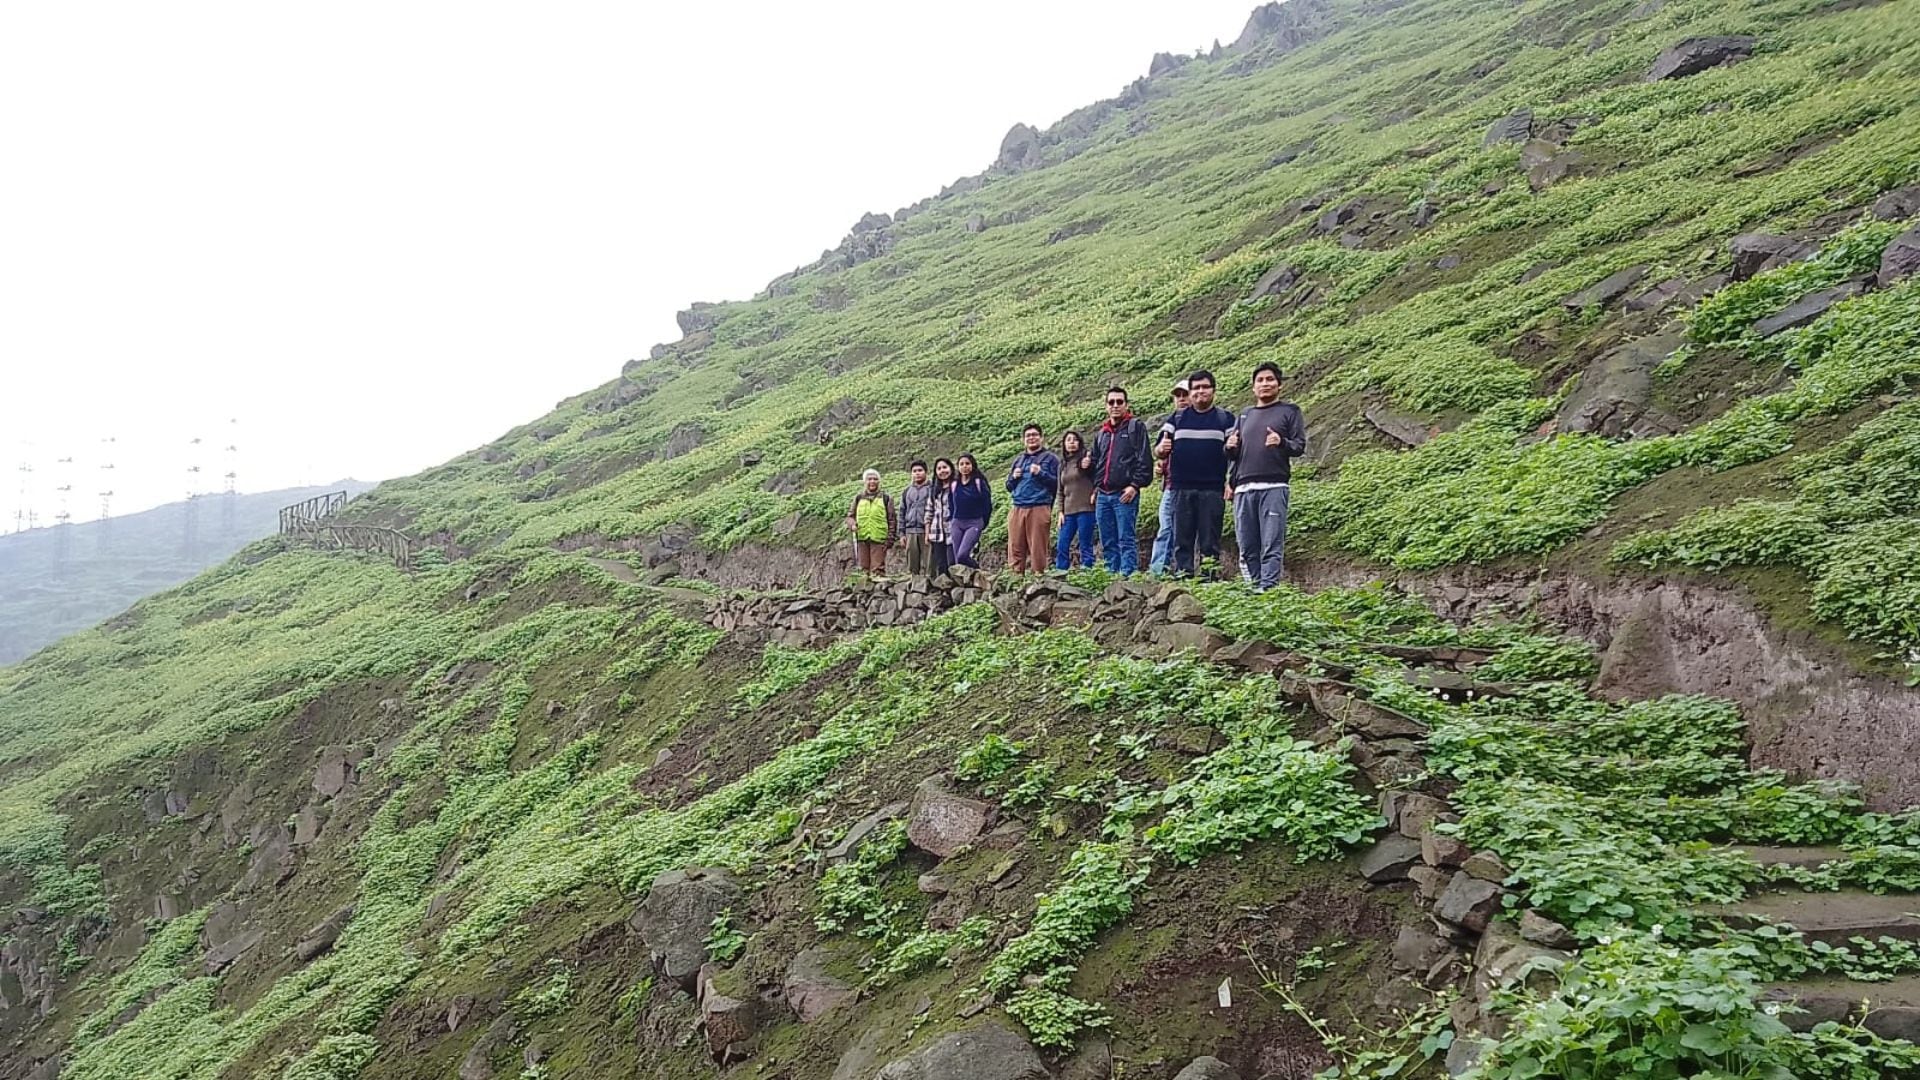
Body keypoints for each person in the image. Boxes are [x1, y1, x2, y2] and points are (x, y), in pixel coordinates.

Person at [1226, 361, 1307, 590]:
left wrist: (1281, 442)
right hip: (1243, 488)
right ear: (1253, 387)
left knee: (1271, 542)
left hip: (1273, 485)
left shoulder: (1290, 412)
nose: (1265, 384)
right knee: (1247, 545)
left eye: (1270, 379)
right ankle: (1254, 587)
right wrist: (1229, 447)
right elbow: (1235, 454)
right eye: (1260, 380)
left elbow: (1299, 446)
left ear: (1279, 385)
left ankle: (1268, 590)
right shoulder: (1244, 415)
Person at [1155, 370, 1235, 577]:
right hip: (1181, 488)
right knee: (1182, 540)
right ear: (1190, 393)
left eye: (1205, 387)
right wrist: (1161, 449)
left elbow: (1235, 453)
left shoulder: (1225, 418)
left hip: (1213, 489)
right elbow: (1159, 450)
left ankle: (1210, 583)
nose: (1201, 391)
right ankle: (1184, 580)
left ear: (1213, 390)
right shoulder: (1177, 418)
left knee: (1210, 541)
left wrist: (1232, 449)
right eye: (1196, 388)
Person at [1085, 386, 1152, 575]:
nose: (1115, 406)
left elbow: (1144, 460)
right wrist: (1095, 483)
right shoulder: (1102, 434)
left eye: (1119, 402)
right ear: (1106, 406)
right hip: (1103, 496)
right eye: (1111, 402)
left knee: (1126, 539)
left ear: (1126, 405)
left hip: (1124, 494)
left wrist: (1134, 486)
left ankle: (1128, 580)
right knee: (1108, 541)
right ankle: (1111, 580)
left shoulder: (1135, 427)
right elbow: (1097, 464)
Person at [1004, 424, 1060, 574]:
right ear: (1023, 440)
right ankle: (1015, 580)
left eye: (1035, 435)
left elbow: (1058, 484)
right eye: (1028, 436)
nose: (1031, 438)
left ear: (1041, 438)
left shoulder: (1051, 459)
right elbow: (1009, 486)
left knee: (1038, 548)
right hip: (1017, 507)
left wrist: (1041, 473)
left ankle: (1039, 580)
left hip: (1039, 507)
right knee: (1015, 547)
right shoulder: (1019, 460)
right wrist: (1013, 478)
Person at [1147, 380, 1190, 574]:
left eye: (1185, 394)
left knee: (1187, 530)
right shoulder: (1169, 423)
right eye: (1178, 395)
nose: (1181, 398)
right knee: (1166, 528)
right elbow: (1159, 451)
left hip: (1193, 485)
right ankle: (1158, 572)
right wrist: (1161, 464)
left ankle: (1187, 572)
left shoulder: (1201, 420)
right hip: (1171, 485)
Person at [1053, 431, 1096, 571]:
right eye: (1068, 440)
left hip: (1086, 508)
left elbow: (1097, 478)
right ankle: (1061, 571)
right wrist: (1060, 511)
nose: (1071, 442)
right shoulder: (1062, 465)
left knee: (1085, 543)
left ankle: (1087, 570)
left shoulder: (1086, 460)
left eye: (1075, 440)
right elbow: (1060, 490)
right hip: (1068, 510)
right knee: (1062, 544)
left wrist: (1094, 493)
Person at [845, 468, 898, 574]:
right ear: (865, 482)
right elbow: (850, 517)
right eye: (869, 479)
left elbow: (892, 519)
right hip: (862, 539)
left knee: (877, 570)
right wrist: (852, 524)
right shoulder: (858, 498)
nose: (872, 482)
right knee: (863, 570)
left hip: (879, 540)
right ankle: (864, 590)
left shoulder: (886, 498)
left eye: (875, 479)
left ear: (879, 482)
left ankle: (878, 590)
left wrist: (890, 539)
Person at [948, 454, 992, 569]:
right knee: (958, 559)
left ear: (972, 465)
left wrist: (984, 522)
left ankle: (977, 570)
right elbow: (951, 503)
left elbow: (987, 503)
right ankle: (966, 583)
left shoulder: (979, 482)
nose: (964, 466)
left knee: (963, 555)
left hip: (974, 522)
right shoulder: (954, 484)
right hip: (957, 522)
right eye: (961, 464)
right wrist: (952, 519)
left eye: (967, 464)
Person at [899, 460, 933, 578]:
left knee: (929, 563)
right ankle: (914, 587)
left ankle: (930, 586)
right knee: (912, 564)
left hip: (927, 531)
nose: (917, 473)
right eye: (914, 471)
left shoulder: (932, 489)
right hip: (910, 532)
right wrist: (902, 533)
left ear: (926, 472)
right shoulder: (907, 491)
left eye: (920, 471)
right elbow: (902, 512)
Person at [927, 457, 956, 578]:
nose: (942, 471)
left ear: (951, 469)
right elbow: (929, 511)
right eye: (939, 468)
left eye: (944, 467)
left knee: (952, 562)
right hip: (937, 533)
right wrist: (927, 532)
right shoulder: (934, 490)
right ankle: (943, 590)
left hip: (953, 531)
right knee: (941, 564)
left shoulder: (956, 487)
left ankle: (956, 589)